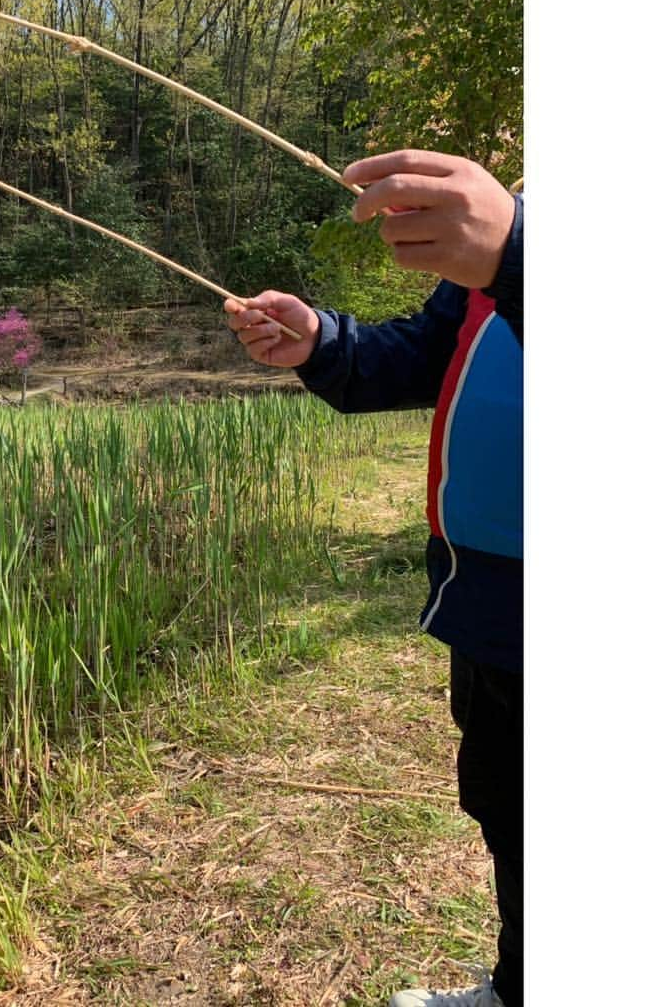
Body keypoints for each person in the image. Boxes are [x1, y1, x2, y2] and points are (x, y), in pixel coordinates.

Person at [225, 150, 523, 1007]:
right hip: (491, 595)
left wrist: (519, 253)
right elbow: (432, 352)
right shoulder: (524, 206)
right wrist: (321, 340)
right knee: (511, 809)